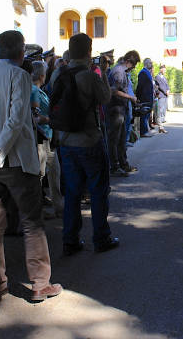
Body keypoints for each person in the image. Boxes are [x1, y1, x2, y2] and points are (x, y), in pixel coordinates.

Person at [0, 30, 62, 303]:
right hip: (16, 162)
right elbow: (16, 119)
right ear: (20, 54)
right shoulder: (19, 75)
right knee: (32, 223)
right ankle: (40, 284)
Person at [50, 33, 119, 256]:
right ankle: (101, 238)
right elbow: (105, 98)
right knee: (98, 191)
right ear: (89, 51)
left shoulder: (58, 73)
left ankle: (70, 240)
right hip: (89, 140)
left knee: (72, 193)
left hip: (66, 143)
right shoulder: (88, 76)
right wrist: (104, 71)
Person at [31, 61, 64, 219]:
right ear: (41, 75)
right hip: (41, 137)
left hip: (48, 137)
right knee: (41, 174)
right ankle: (38, 208)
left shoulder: (39, 90)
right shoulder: (34, 91)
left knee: (54, 172)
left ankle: (59, 206)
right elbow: (34, 116)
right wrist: (50, 119)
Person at [106, 50, 140, 175]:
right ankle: (114, 168)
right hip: (115, 109)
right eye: (134, 64)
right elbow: (114, 91)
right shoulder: (119, 72)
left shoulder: (120, 70)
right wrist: (130, 98)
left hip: (119, 109)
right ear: (128, 61)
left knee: (120, 139)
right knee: (114, 139)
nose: (134, 68)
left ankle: (123, 164)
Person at [137, 58, 155, 136]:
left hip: (148, 96)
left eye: (151, 63)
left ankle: (146, 130)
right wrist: (138, 97)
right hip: (145, 97)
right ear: (145, 64)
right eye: (149, 63)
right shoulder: (143, 73)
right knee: (144, 114)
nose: (151, 64)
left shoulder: (147, 72)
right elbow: (140, 86)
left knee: (147, 115)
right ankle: (143, 132)